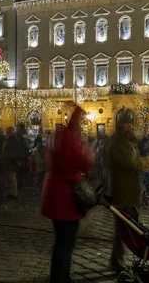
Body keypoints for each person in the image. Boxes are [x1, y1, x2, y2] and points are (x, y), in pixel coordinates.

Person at [42, 107, 93, 283]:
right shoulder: (69, 138)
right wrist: (85, 147)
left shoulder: (56, 135)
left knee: (60, 240)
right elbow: (84, 161)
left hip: (55, 193)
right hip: (66, 196)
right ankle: (61, 278)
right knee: (66, 242)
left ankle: (58, 276)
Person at [107, 109, 141, 274]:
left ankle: (118, 259)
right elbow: (128, 162)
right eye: (130, 124)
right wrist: (140, 164)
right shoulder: (117, 141)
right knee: (123, 227)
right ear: (125, 125)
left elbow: (134, 158)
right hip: (122, 188)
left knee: (129, 226)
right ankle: (118, 261)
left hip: (130, 187)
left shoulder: (128, 140)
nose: (133, 127)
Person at [2, 127, 21, 199]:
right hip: (9, 160)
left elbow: (12, 151)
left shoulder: (12, 140)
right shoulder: (11, 139)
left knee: (12, 177)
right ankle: (11, 192)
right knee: (10, 178)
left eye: (7, 131)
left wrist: (11, 157)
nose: (6, 132)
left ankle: (14, 194)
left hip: (11, 161)